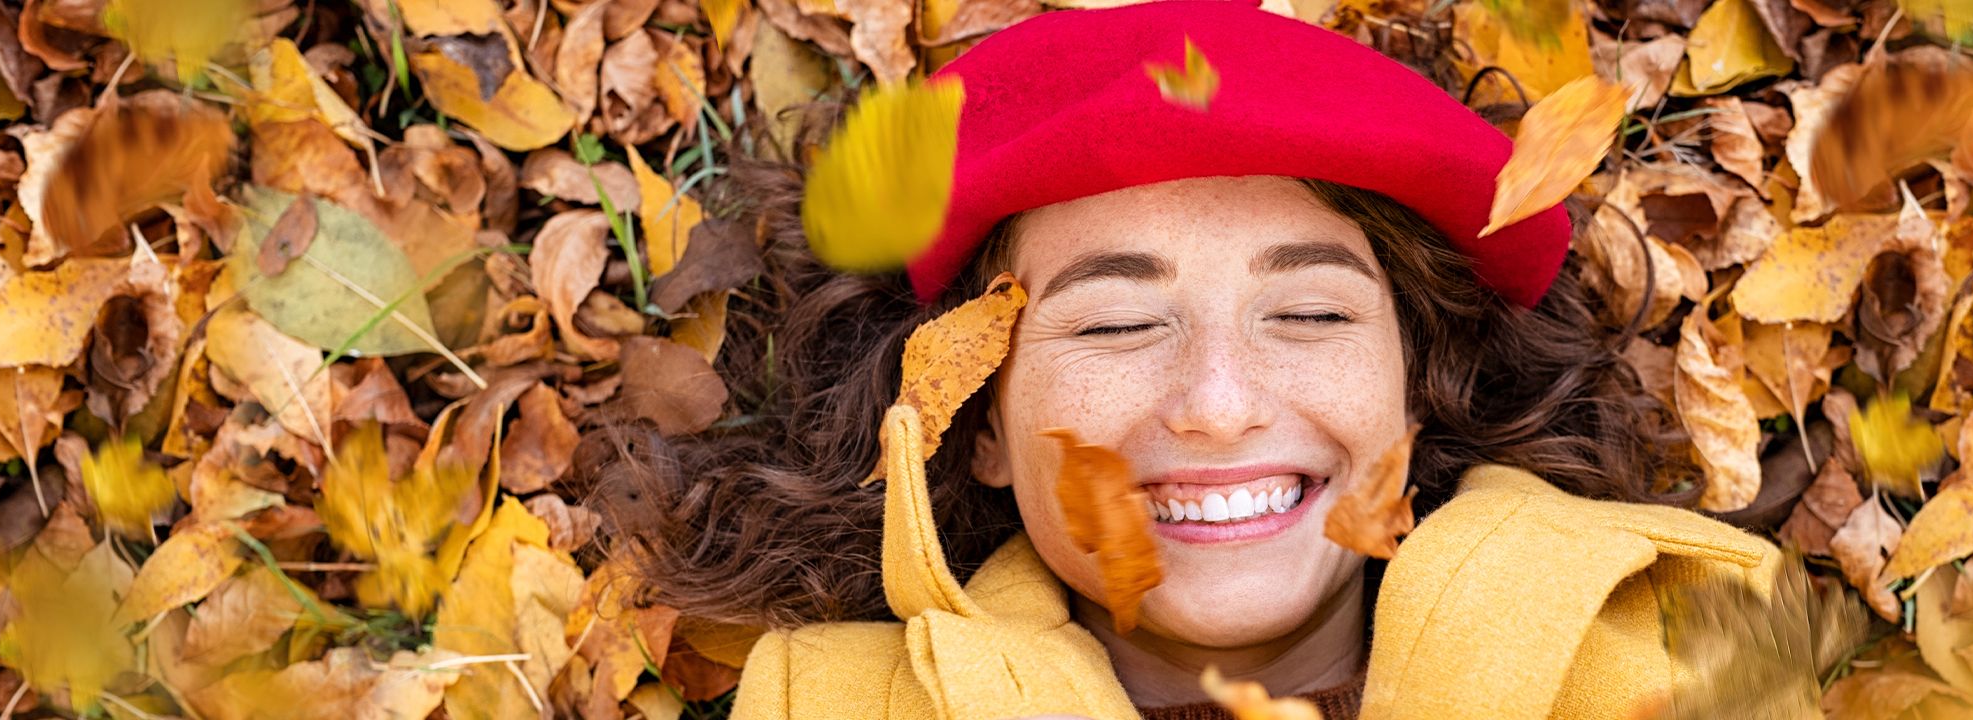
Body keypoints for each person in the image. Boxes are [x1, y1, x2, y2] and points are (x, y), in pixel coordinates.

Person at [590, 0, 1789, 717]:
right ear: (981, 421)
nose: (1217, 406)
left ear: (1416, 384)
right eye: (1114, 325)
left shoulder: (1699, 655)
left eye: (1311, 315)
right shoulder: (825, 709)